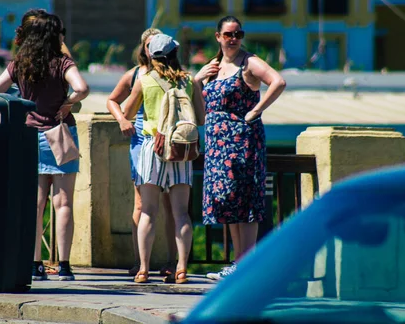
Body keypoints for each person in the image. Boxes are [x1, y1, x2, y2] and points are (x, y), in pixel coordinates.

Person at [0, 11, 90, 281]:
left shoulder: (19, 63)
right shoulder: (63, 63)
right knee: (63, 202)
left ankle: (35, 264)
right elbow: (82, 87)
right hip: (61, 134)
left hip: (29, 136)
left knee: (35, 203)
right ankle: (65, 266)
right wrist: (67, 104)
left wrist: (19, 105)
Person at [194, 15, 286, 280]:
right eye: (228, 34)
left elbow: (278, 82)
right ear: (218, 37)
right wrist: (198, 80)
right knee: (229, 202)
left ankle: (246, 265)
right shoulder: (213, 66)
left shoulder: (249, 62)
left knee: (245, 201)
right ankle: (238, 263)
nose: (233, 39)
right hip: (216, 146)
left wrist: (256, 110)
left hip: (242, 142)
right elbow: (198, 104)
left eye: (238, 34)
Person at [124, 34, 205, 284]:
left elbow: (126, 112)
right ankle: (181, 269)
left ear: (151, 55)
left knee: (148, 211)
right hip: (181, 150)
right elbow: (200, 119)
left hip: (153, 147)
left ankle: (143, 269)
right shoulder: (189, 82)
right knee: (181, 213)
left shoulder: (144, 80)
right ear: (174, 54)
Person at [107, 28, 177, 277]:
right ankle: (140, 261)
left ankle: (171, 261)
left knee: (171, 204)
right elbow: (113, 100)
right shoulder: (136, 74)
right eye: (149, 44)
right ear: (143, 48)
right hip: (141, 140)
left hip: (164, 141)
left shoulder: (172, 74)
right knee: (142, 203)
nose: (152, 48)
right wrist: (122, 121)